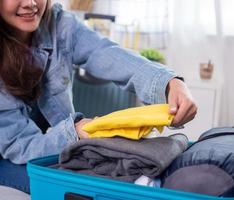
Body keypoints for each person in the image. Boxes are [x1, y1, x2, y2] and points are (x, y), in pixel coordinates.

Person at [0, 0, 197, 194]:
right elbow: (19, 144)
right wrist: (74, 133)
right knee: (74, 187)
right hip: (9, 154)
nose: (30, 3)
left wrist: (169, 82)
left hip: (51, 144)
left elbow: (105, 52)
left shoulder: (59, 24)